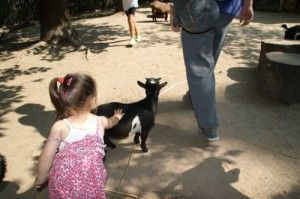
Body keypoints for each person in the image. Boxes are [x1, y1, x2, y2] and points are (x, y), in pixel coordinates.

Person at [171, 0, 254, 141]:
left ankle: (208, 127)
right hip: (226, 10)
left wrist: (177, 13)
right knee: (209, 58)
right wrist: (248, 5)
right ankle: (194, 97)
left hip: (195, 8)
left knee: (200, 67)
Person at [34, 73, 124, 198]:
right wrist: (117, 117)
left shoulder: (60, 127)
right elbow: (111, 123)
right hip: (92, 179)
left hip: (63, 180)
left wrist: (41, 177)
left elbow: (47, 154)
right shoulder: (100, 121)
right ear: (92, 99)